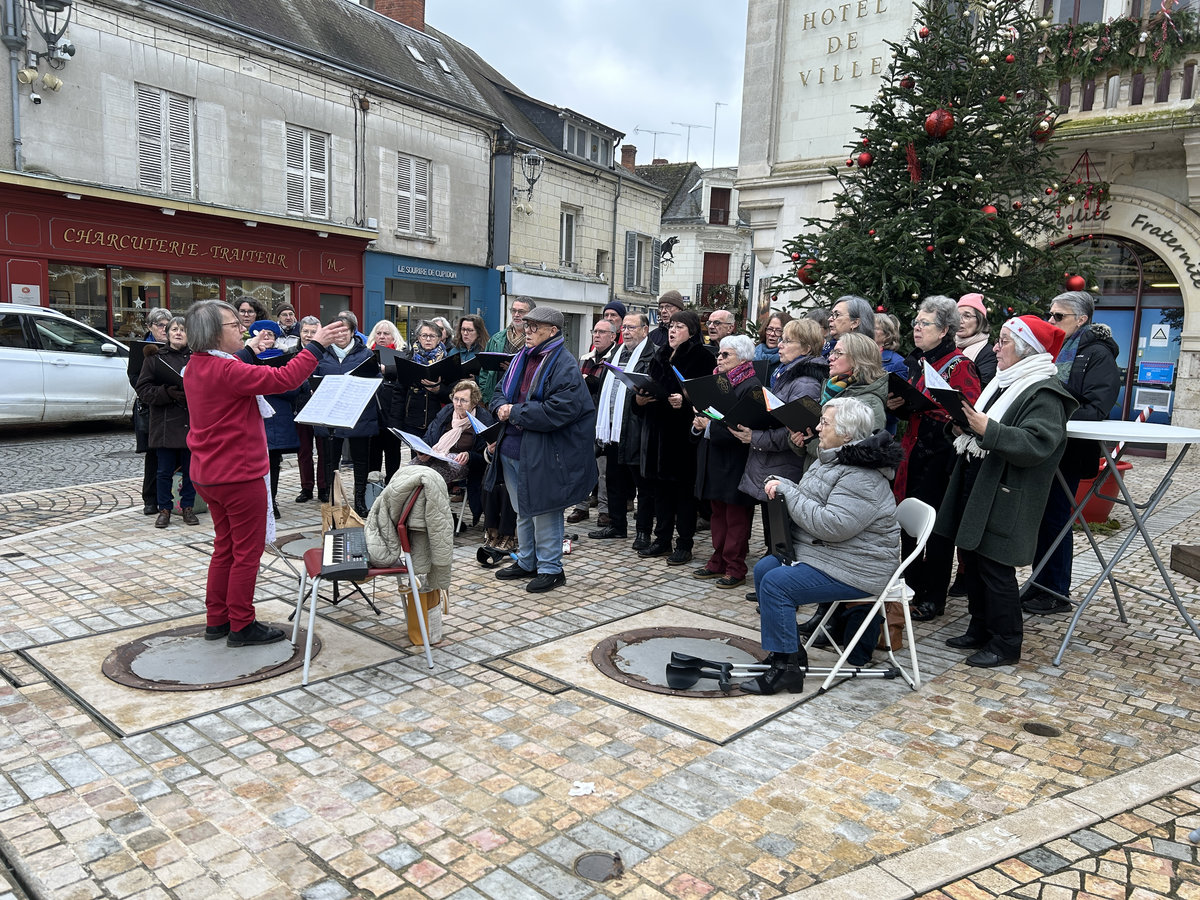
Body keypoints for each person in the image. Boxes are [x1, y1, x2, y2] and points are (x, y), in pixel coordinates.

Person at [183, 299, 347, 647]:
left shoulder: (199, 365)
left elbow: (245, 365)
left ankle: (218, 619)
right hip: (237, 475)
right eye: (233, 326)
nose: (242, 330)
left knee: (224, 547)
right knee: (246, 552)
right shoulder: (227, 370)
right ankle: (241, 625)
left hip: (208, 473)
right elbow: (284, 378)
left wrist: (253, 349)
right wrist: (316, 345)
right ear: (213, 334)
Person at [937, 315, 1076, 667]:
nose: (997, 348)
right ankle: (980, 628)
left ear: (1027, 350)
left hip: (1008, 491)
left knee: (996, 568)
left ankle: (1006, 643)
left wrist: (987, 428)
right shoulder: (1004, 381)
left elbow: (1038, 443)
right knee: (973, 558)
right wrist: (962, 426)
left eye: (1005, 341)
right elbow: (983, 428)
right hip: (982, 482)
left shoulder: (1044, 391)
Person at [743, 397, 902, 695]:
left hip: (859, 566)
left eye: (824, 423)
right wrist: (786, 488)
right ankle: (787, 653)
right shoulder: (833, 457)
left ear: (847, 434)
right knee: (766, 567)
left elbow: (832, 526)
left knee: (778, 583)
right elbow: (812, 501)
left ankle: (786, 671)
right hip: (831, 553)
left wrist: (789, 491)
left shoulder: (861, 476)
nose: (817, 427)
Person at [1024, 291, 1121, 615]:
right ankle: (1038, 584)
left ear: (1081, 319)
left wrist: (1052, 414)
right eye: (1049, 314)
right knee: (1039, 518)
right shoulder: (1054, 350)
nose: (1050, 321)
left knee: (1056, 519)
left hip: (1069, 449)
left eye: (1058, 316)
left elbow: (1097, 408)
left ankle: (1056, 592)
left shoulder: (1097, 354)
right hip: (1045, 445)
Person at [487, 305, 596, 593]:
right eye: (526, 325)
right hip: (512, 447)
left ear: (553, 331)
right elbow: (499, 392)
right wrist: (500, 407)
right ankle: (527, 561)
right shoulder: (521, 358)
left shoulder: (564, 364)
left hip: (543, 451)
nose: (527, 331)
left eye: (534, 327)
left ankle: (551, 568)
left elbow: (559, 410)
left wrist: (514, 412)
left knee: (545, 509)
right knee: (523, 508)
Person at [885, 295, 981, 622]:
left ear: (943, 331)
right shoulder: (918, 361)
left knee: (937, 530)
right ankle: (910, 587)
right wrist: (897, 404)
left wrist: (935, 414)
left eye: (924, 323)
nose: (916, 328)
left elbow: (968, 412)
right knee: (908, 528)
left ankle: (934, 596)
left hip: (942, 458)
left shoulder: (960, 364)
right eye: (915, 323)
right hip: (914, 453)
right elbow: (910, 404)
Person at [733, 317, 827, 537]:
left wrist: (753, 437)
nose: (780, 345)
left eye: (787, 340)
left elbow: (794, 432)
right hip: (774, 464)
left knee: (780, 537)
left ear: (806, 347)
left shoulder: (805, 382)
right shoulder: (786, 374)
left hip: (785, 467)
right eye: (781, 339)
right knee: (773, 535)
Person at [635, 309, 713, 564]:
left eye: (679, 326)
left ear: (691, 331)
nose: (672, 330)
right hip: (657, 434)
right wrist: (639, 399)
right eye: (670, 326)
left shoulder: (701, 356)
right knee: (661, 493)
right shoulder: (660, 354)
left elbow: (706, 396)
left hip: (682, 438)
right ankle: (662, 540)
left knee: (684, 495)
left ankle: (684, 543)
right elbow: (651, 388)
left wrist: (686, 399)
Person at [691, 335, 760, 588]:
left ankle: (735, 566)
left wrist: (709, 427)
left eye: (725, 355)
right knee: (718, 514)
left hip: (736, 461)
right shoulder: (717, 382)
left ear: (742, 358)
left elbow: (743, 427)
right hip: (714, 458)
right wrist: (698, 424)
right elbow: (708, 415)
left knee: (736, 518)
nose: (719, 359)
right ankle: (717, 559)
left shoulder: (750, 386)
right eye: (719, 354)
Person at [590, 313, 654, 543]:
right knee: (614, 481)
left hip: (637, 429)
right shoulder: (616, 353)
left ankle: (643, 532)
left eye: (631, 327)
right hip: (612, 429)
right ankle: (617, 526)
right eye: (624, 327)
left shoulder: (651, 355)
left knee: (642, 486)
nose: (626, 331)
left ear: (645, 330)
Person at [313, 310, 381, 516]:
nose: (341, 335)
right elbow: (312, 381)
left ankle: (359, 500)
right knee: (331, 461)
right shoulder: (321, 354)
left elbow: (376, 381)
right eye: (336, 331)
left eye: (345, 330)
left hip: (358, 414)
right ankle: (334, 501)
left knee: (361, 461)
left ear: (353, 332)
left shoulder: (366, 354)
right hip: (330, 414)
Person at [135, 316, 199, 528]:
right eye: (174, 329)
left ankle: (188, 507)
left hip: (191, 422)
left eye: (183, 329)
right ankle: (164, 509)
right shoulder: (155, 359)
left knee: (191, 470)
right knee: (163, 471)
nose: (178, 333)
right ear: (168, 333)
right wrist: (166, 392)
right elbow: (143, 389)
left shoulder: (197, 358)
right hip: (164, 423)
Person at [416, 379, 495, 526]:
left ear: (474, 402)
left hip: (462, 462)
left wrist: (470, 455)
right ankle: (412, 515)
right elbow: (430, 435)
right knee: (409, 471)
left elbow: (487, 456)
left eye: (463, 401)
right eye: (456, 399)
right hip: (437, 453)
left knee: (431, 477)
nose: (458, 404)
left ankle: (434, 519)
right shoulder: (447, 412)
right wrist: (422, 450)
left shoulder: (483, 419)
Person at [570, 319, 621, 525]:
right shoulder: (585, 358)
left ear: (612, 336)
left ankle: (604, 509)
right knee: (581, 465)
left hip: (606, 419)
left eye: (602, 332)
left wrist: (594, 383)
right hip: (584, 419)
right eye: (595, 331)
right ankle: (580, 506)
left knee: (604, 469)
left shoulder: (616, 358)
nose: (597, 335)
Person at [128, 307, 171, 516]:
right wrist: (156, 392)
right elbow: (134, 377)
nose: (164, 329)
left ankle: (177, 498)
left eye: (166, 325)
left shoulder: (178, 345)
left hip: (175, 406)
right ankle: (151, 499)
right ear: (150, 327)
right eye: (159, 325)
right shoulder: (141, 348)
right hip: (151, 407)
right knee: (154, 454)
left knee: (178, 453)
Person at [479, 296, 534, 404]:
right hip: (495, 400)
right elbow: (484, 372)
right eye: (513, 310)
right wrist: (485, 398)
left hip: (521, 402)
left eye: (521, 311)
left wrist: (515, 370)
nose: (516, 314)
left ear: (531, 314)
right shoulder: (496, 339)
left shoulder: (535, 341)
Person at [293, 316, 321, 503]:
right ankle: (306, 488)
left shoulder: (325, 353)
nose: (309, 336)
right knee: (304, 451)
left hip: (321, 408)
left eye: (313, 332)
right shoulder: (291, 353)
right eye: (306, 331)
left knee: (324, 450)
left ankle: (324, 488)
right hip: (300, 408)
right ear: (300, 332)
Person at [956, 294, 998, 387]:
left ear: (980, 321)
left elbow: (980, 387)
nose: (960, 321)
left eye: (967, 316)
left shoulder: (990, 354)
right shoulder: (946, 345)